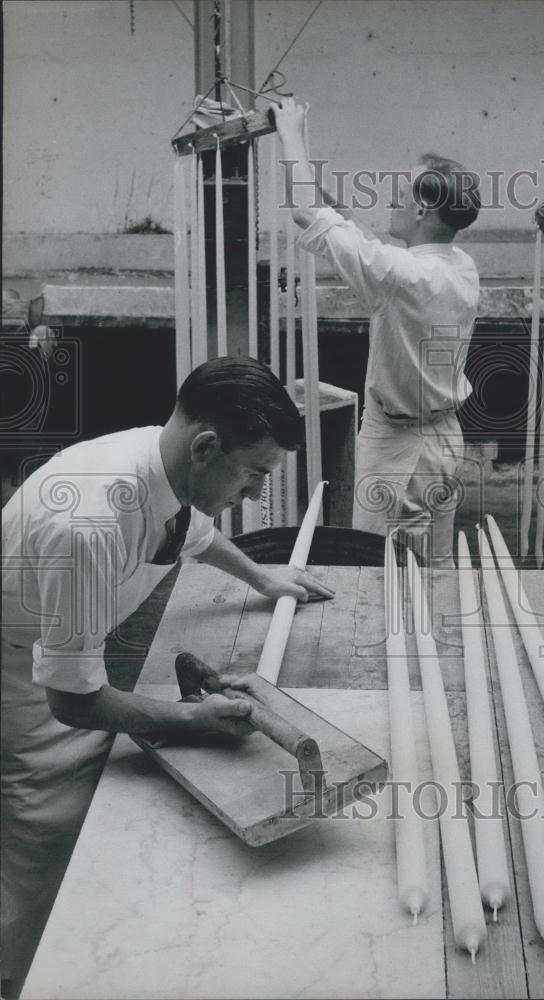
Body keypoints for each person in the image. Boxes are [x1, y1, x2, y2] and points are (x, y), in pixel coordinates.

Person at [0, 355, 334, 997]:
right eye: (255, 474)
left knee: (102, 829)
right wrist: (188, 721)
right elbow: (71, 699)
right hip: (17, 670)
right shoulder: (91, 522)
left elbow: (194, 535)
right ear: (206, 446)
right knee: (45, 844)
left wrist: (263, 576)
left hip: (57, 654)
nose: (258, 495)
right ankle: (23, 978)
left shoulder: (164, 465)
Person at [275, 97, 481, 564]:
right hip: (443, 440)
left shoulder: (401, 276)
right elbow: (353, 235)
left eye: (401, 194)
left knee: (381, 575)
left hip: (400, 449)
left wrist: (289, 132)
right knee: (435, 569)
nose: (391, 200)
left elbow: (306, 214)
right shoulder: (459, 266)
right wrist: (306, 153)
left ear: (424, 209)